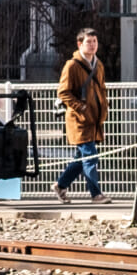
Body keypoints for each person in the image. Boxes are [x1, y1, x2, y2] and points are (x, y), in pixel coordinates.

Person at [55, 27, 108, 203]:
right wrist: (80, 107)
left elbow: (101, 89)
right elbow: (63, 92)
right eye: (88, 42)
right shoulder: (72, 65)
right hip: (79, 119)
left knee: (81, 159)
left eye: (94, 41)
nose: (92, 45)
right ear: (80, 44)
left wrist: (103, 108)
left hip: (94, 119)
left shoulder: (98, 64)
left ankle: (61, 185)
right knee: (91, 157)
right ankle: (96, 194)